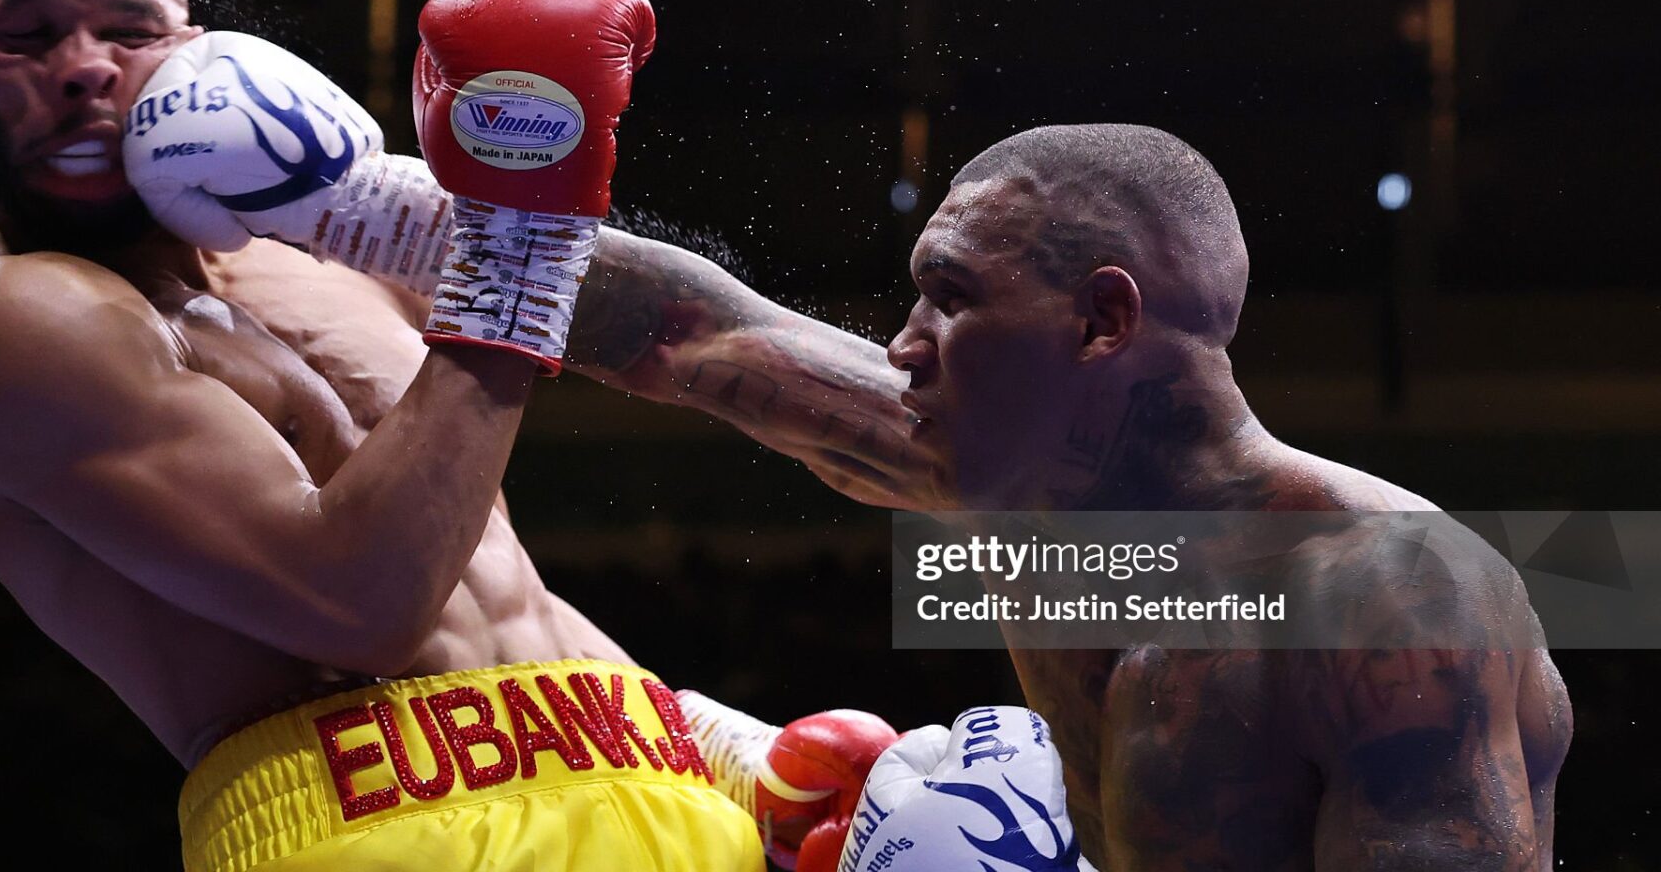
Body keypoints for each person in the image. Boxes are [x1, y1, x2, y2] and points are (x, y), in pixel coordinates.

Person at [0, 0, 894, 872]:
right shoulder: (4, 325)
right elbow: (363, 606)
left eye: (129, 29)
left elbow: (675, 333)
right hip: (377, 827)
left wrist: (725, 747)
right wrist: (516, 249)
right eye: (25, 37)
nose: (83, 70)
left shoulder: (320, 233)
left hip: (641, 768)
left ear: (191, 45)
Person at [558, 124, 1574, 869]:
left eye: (951, 299)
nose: (903, 347)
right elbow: (693, 335)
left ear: (1100, 322)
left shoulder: (1391, 601)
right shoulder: (1016, 484)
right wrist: (408, 211)